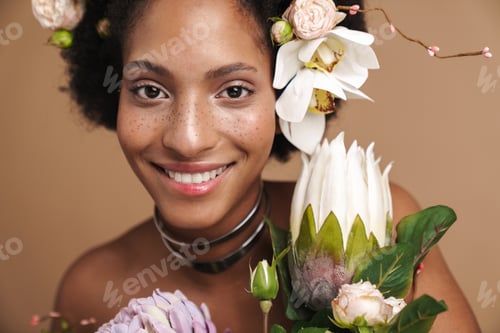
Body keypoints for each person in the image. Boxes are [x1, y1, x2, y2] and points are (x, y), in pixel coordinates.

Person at [40, 0, 480, 332]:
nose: (187, 140)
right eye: (151, 91)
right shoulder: (91, 290)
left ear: (290, 96)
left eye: (233, 91)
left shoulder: (379, 226)